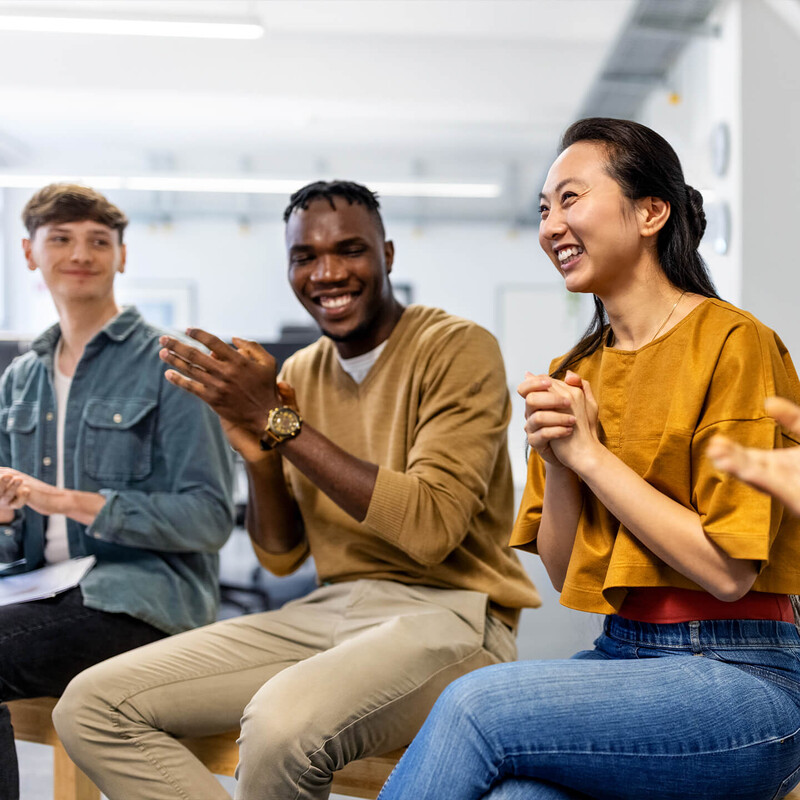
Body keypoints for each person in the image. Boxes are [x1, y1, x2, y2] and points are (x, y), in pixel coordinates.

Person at [53, 180, 540, 800]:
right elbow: (280, 556)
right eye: (305, 257)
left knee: (282, 725)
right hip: (331, 610)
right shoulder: (299, 372)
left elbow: (430, 528)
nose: (327, 272)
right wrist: (260, 457)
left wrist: (281, 423)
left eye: (350, 250)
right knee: (92, 705)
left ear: (387, 255)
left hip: (454, 614)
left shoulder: (455, 347)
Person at [376, 118, 800, 800]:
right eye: (543, 209)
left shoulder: (735, 343)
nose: (550, 226)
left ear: (650, 211)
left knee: (475, 707)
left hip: (743, 676)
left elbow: (729, 571)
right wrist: (564, 465)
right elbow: (568, 570)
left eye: (570, 198)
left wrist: (591, 456)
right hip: (624, 652)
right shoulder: (574, 370)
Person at [0, 184, 235, 800]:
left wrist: (73, 501)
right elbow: (12, 531)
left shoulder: (171, 365)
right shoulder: (21, 378)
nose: (80, 253)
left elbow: (210, 518)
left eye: (98, 241)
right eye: (61, 239)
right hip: (37, 595)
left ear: (121, 257)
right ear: (29, 252)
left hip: (138, 603)